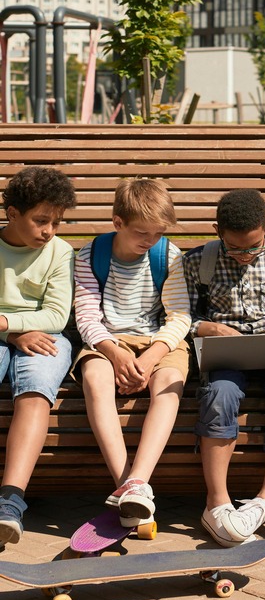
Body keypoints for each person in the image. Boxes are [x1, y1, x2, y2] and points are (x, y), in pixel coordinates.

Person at [183, 188, 265, 547]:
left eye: (254, 247)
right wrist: (203, 327)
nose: (244, 256)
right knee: (219, 393)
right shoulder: (198, 262)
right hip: (225, 354)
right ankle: (217, 502)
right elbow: (184, 314)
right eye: (235, 248)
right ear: (217, 231)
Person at [72, 178, 191, 526]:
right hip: (107, 339)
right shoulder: (91, 255)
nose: (150, 240)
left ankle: (138, 481)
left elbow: (179, 315)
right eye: (142, 232)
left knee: (169, 386)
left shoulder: (167, 254)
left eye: (157, 233)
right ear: (117, 222)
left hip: (158, 342)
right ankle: (128, 486)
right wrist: (114, 352)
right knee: (95, 378)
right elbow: (87, 315)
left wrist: (151, 357)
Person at [0, 166, 77, 546]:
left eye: (57, 222)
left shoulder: (60, 252)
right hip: (5, 333)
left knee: (35, 391)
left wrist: (6, 323)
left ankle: (10, 502)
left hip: (46, 337)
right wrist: (12, 331)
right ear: (12, 213)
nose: (49, 231)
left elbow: (56, 315)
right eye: (41, 221)